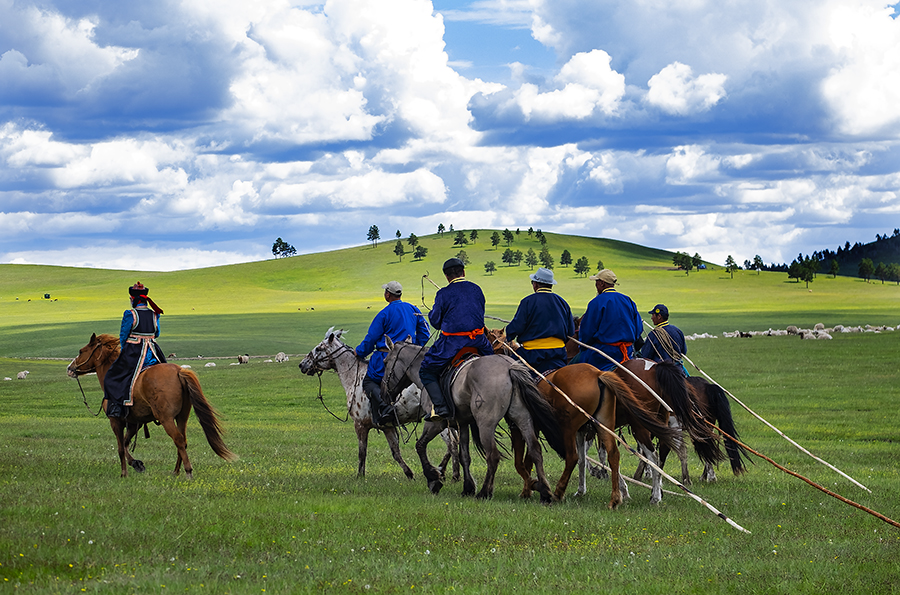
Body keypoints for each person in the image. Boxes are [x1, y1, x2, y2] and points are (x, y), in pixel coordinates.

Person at [419, 258, 494, 421]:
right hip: (479, 342)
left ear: (446, 276)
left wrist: (434, 312)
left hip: (453, 343)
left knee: (426, 370)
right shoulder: (477, 289)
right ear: (463, 272)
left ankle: (440, 407)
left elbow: (435, 322)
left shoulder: (443, 294)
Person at [355, 281, 430, 427]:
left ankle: (385, 409)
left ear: (388, 294)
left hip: (387, 358)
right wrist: (414, 349)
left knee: (369, 382)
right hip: (410, 360)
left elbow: (371, 339)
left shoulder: (384, 314)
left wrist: (359, 351)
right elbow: (425, 332)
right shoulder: (413, 309)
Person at [103, 282, 167, 419]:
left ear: (133, 299)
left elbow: (123, 335)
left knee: (112, 376)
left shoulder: (130, 314)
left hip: (134, 353)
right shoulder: (154, 314)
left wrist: (124, 352)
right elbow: (157, 333)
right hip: (153, 353)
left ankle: (116, 407)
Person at [504, 267, 575, 374]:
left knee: (507, 370)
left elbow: (517, 326)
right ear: (551, 285)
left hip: (532, 354)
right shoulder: (563, 302)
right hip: (558, 353)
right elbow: (571, 331)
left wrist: (509, 334)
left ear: (536, 285)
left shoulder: (527, 301)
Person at [577, 269, 643, 371]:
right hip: (627, 352)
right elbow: (638, 328)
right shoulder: (628, 300)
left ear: (602, 283)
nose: (595, 285)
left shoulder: (596, 302)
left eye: (596, 282)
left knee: (576, 368)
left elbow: (587, 332)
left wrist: (583, 346)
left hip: (603, 354)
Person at [639, 303, 688, 376]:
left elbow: (646, 356)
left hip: (662, 374)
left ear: (659, 316)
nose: (651, 318)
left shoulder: (654, 334)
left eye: (653, 315)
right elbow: (683, 351)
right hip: (679, 371)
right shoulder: (677, 330)